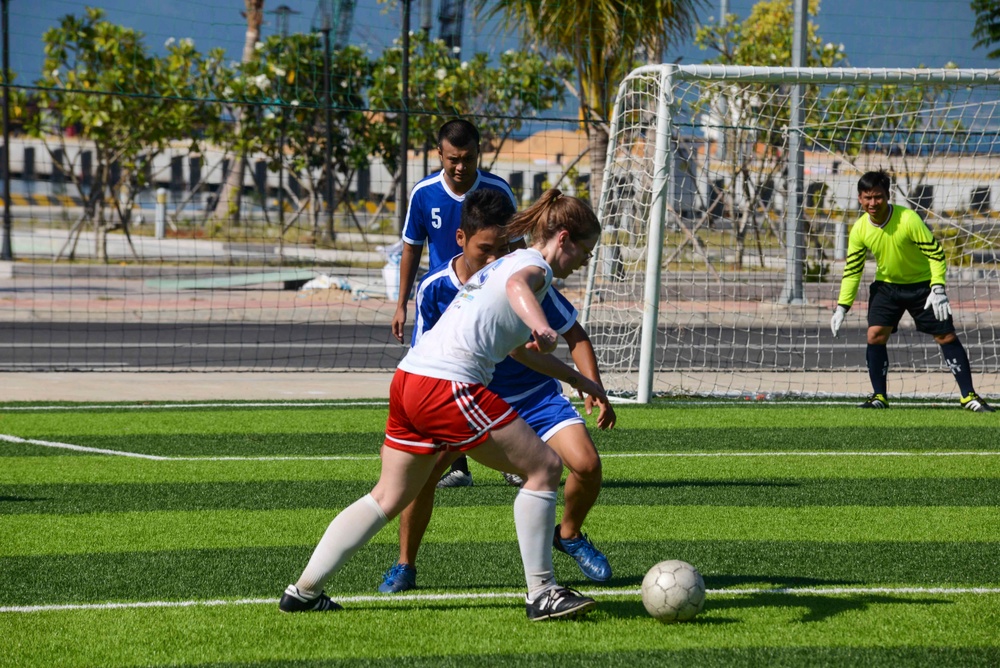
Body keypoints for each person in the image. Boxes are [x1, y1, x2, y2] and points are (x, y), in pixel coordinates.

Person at [279, 188, 604, 621]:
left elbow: (516, 351)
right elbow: (518, 288)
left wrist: (579, 380)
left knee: (388, 495)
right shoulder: (531, 267)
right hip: (447, 385)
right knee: (544, 468)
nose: (585, 260)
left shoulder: (505, 262)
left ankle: (303, 591)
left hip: (409, 380)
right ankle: (542, 592)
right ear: (563, 238)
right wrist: (541, 325)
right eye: (585, 250)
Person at [379, 191, 617, 594]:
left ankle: (569, 535)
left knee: (588, 465)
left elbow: (571, 335)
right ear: (461, 240)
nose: (493, 258)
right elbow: (426, 359)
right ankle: (405, 564)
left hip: (534, 395)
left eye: (501, 249)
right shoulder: (439, 287)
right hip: (466, 394)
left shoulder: (525, 273)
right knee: (424, 476)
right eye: (484, 250)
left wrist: (590, 385)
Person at [392, 118, 518, 489]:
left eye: (467, 158)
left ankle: (511, 459)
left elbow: (515, 246)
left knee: (499, 370)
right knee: (438, 376)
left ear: (479, 153)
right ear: (440, 155)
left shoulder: (498, 191)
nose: (460, 167)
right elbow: (411, 248)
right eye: (452, 159)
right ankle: (457, 466)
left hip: (490, 295)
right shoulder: (424, 193)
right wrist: (401, 304)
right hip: (441, 297)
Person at [830, 169, 994, 412]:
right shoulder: (860, 229)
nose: (872, 203)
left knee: (945, 336)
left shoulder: (908, 219)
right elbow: (853, 270)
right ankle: (879, 397)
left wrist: (937, 287)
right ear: (859, 198)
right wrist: (842, 307)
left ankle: (968, 396)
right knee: (875, 335)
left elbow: (936, 254)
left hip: (923, 287)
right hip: (887, 287)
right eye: (867, 197)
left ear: (888, 196)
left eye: (878, 197)